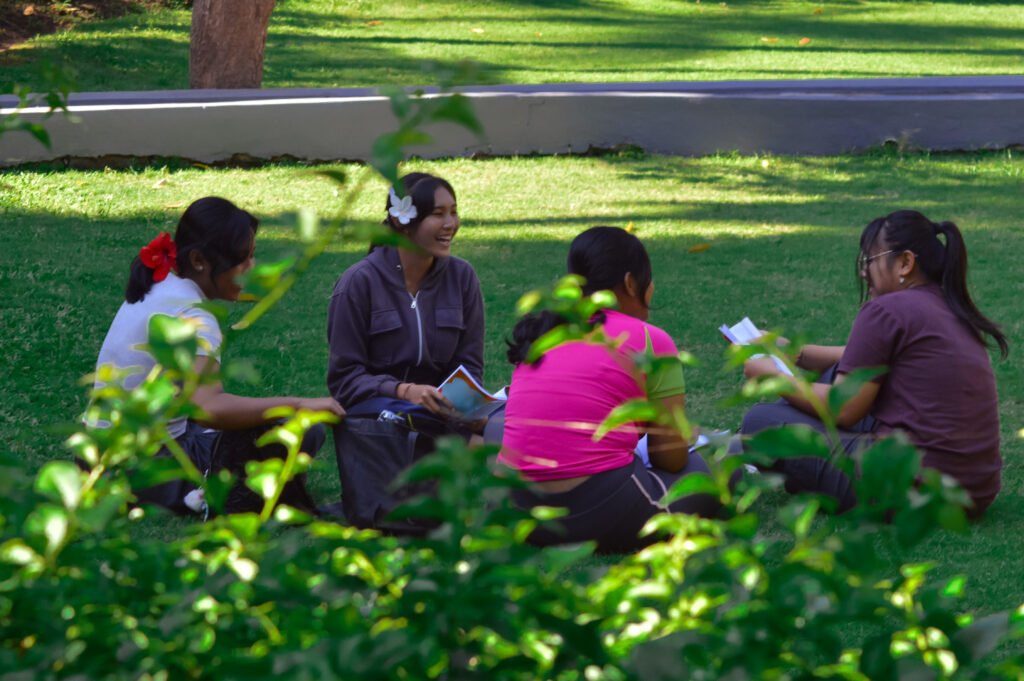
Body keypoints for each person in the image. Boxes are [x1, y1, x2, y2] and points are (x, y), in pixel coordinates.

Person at [740, 210, 1008, 517]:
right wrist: (795, 353)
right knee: (830, 377)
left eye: (870, 260)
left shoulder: (887, 309)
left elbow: (844, 409)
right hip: (972, 491)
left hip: (914, 489)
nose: (864, 272)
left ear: (906, 263)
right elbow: (862, 357)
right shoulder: (948, 305)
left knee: (761, 422)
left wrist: (772, 377)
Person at [92, 196, 345, 515]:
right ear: (199, 261)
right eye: (243, 260)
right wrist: (298, 404)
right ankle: (210, 494)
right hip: (147, 469)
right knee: (305, 428)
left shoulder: (161, 283)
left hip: (96, 458)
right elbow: (207, 408)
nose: (251, 268)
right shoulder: (196, 317)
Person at [498, 226, 720, 554]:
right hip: (599, 511)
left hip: (519, 511)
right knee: (710, 467)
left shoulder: (542, 330)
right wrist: (682, 437)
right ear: (632, 283)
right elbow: (670, 458)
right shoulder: (650, 340)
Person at [326, 172, 485, 424]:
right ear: (401, 222)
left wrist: (460, 405)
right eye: (437, 213)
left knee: (506, 427)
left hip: (442, 414)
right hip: (378, 417)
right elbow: (345, 379)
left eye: (453, 212)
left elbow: (469, 367)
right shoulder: (359, 283)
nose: (450, 223)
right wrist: (405, 391)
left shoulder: (462, 276)